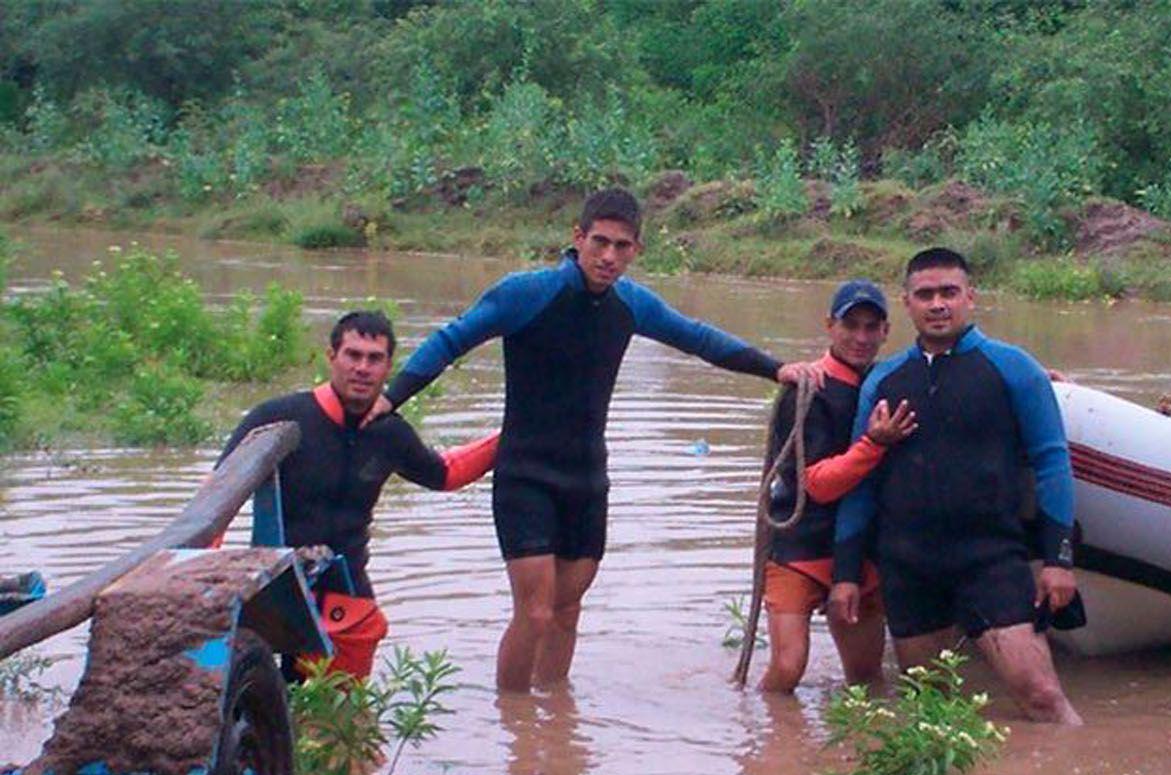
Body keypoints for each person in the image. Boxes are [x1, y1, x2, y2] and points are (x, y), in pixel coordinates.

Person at [363, 188, 822, 693]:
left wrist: (776, 369)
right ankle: (515, 727)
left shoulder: (631, 305)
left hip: (586, 478)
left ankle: (553, 716)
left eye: (622, 246)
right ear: (577, 238)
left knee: (566, 610)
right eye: (599, 242)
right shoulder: (526, 294)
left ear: (636, 251)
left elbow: (700, 339)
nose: (608, 256)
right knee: (535, 612)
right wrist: (392, 397)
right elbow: (452, 339)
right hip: (525, 474)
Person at [831, 248, 1083, 725]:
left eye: (949, 292)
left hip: (990, 558)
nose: (938, 304)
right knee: (929, 710)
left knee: (1043, 697)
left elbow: (1052, 464)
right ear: (906, 303)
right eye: (925, 295)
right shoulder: (883, 381)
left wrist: (1058, 561)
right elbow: (860, 483)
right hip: (909, 565)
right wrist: (846, 573)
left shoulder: (1015, 369)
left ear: (971, 297)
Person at [219, 310, 497, 678]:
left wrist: (512, 438)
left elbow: (444, 474)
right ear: (331, 357)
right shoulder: (278, 418)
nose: (362, 368)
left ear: (388, 368)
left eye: (374, 359)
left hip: (346, 587)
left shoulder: (390, 433)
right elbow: (220, 495)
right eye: (353, 355)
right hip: (277, 586)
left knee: (338, 724)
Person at [760, 279, 917, 693]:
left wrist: (1037, 377)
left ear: (886, 332)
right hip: (800, 545)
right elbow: (817, 485)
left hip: (859, 549)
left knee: (866, 679)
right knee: (788, 668)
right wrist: (874, 444)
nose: (861, 337)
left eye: (871, 327)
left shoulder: (889, 384)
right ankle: (769, 742)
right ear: (830, 326)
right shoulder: (806, 390)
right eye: (851, 326)